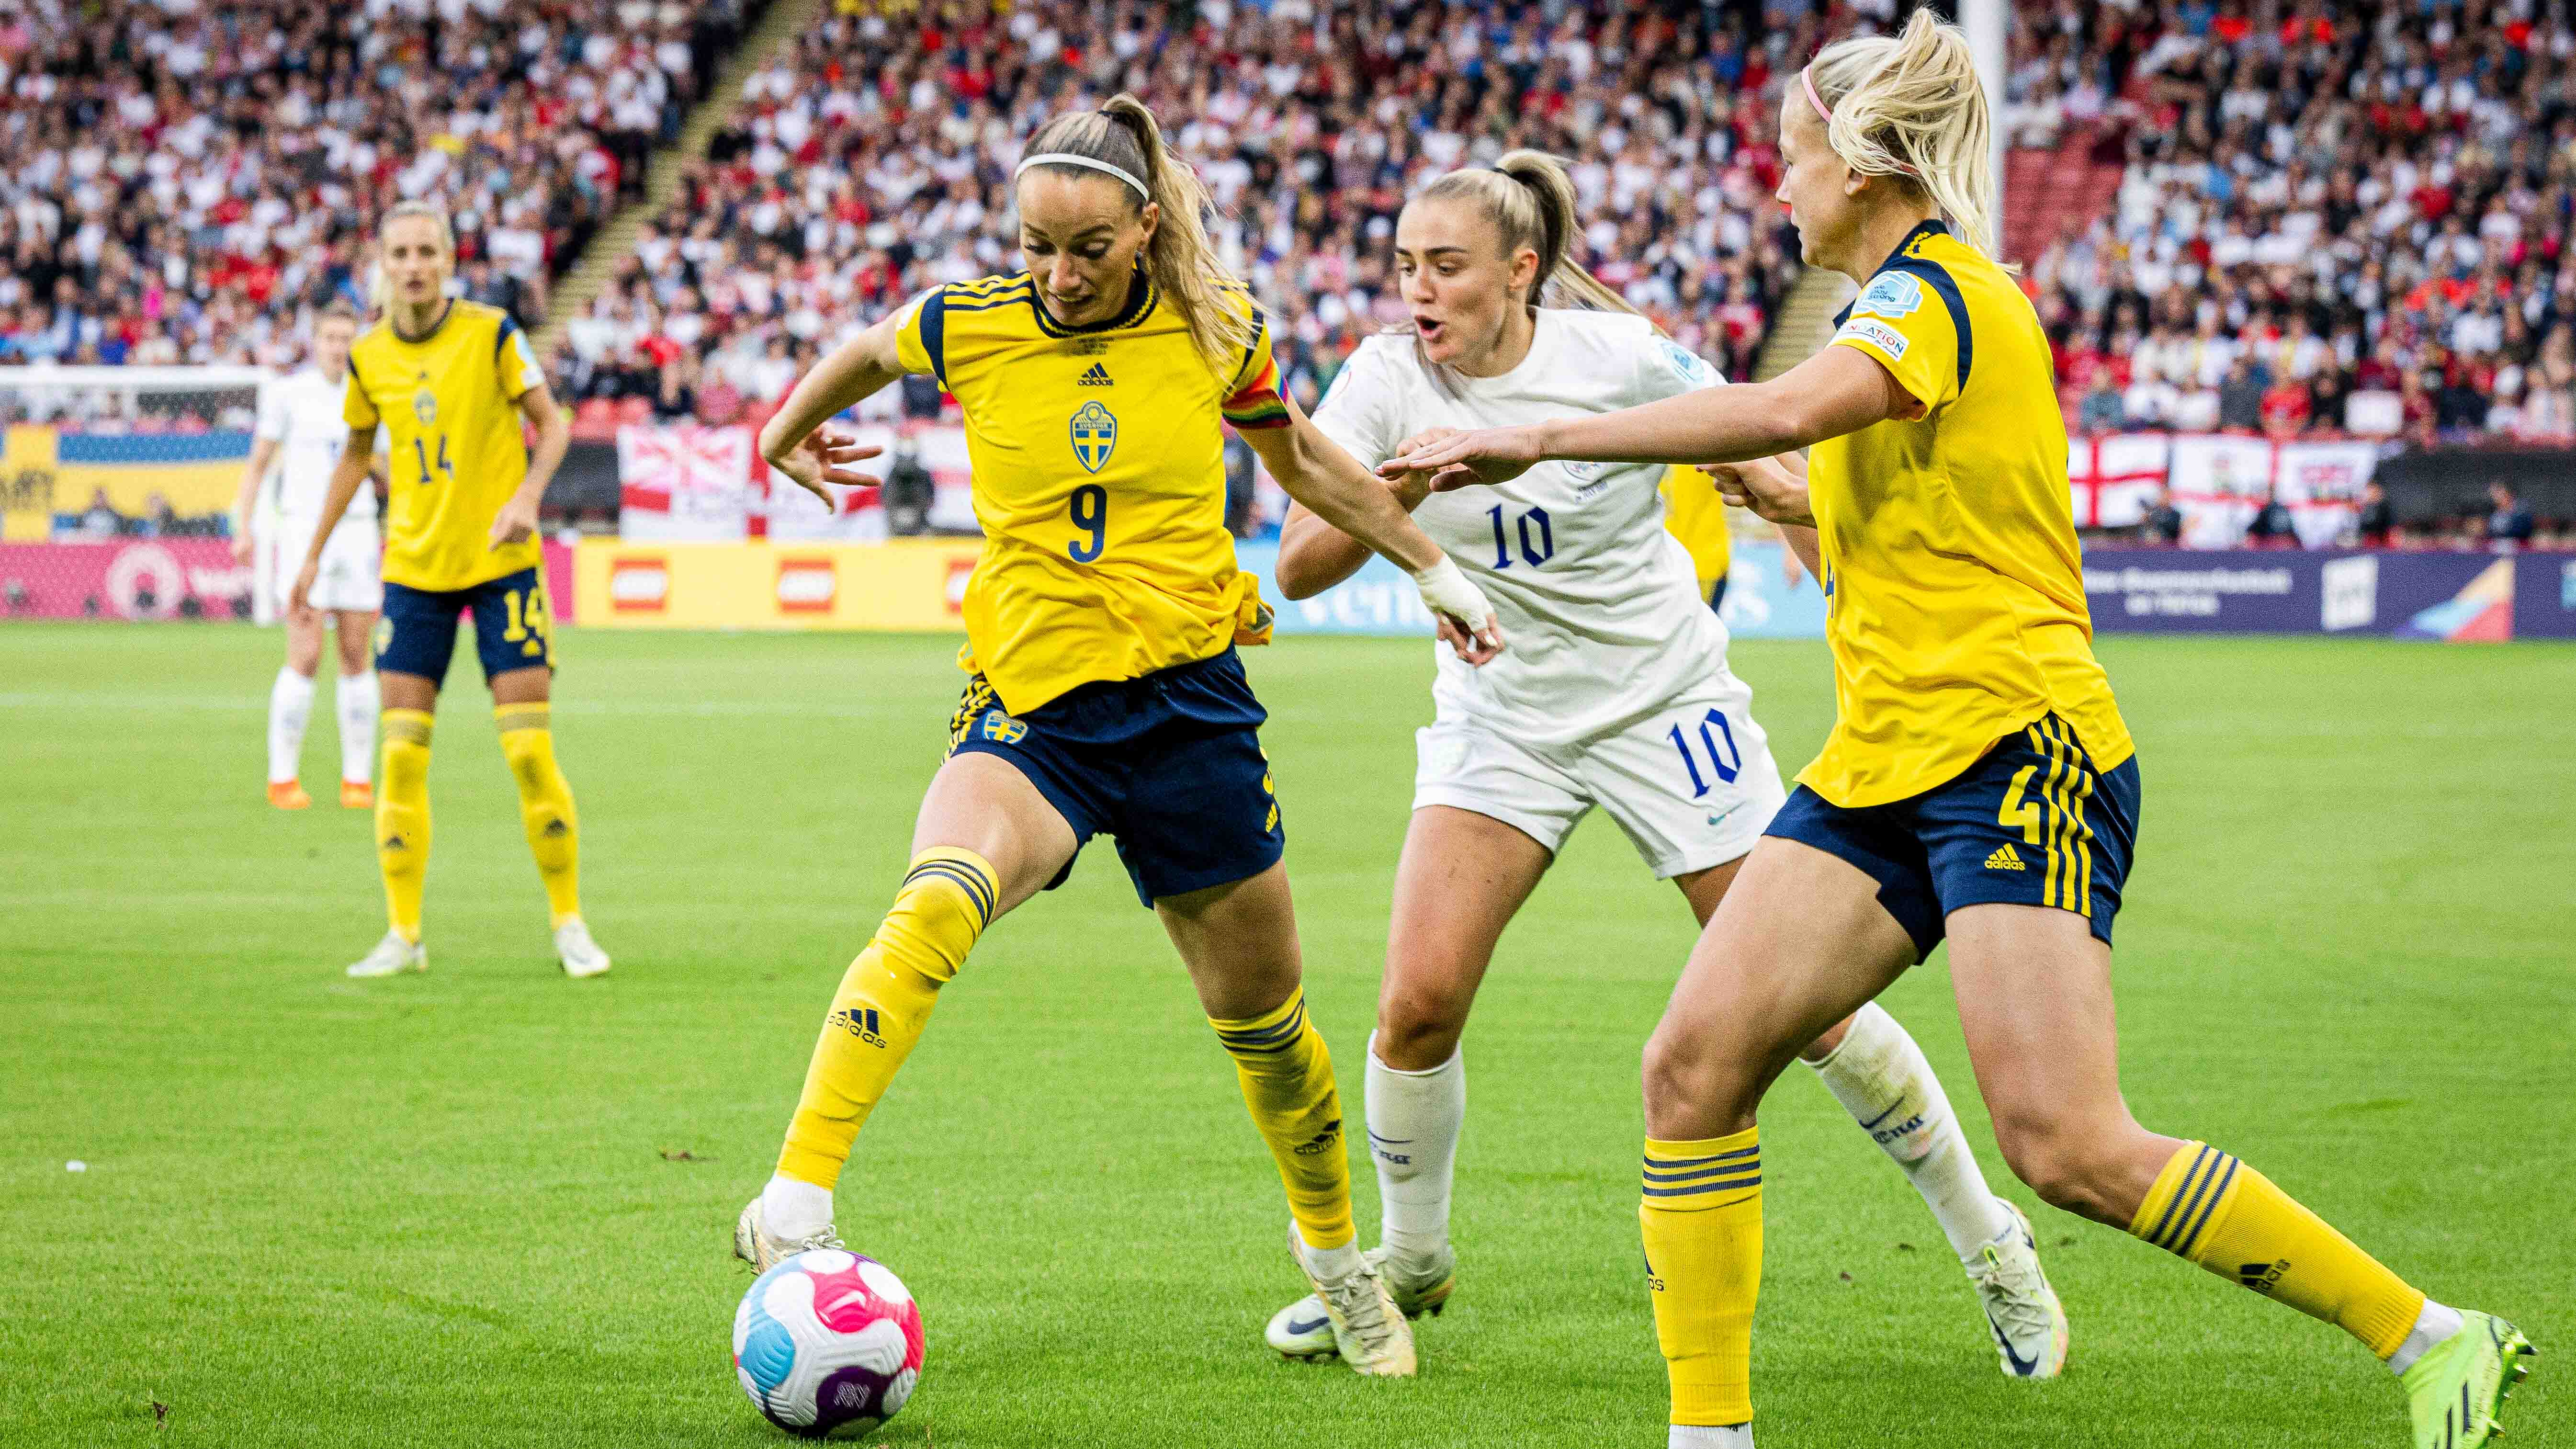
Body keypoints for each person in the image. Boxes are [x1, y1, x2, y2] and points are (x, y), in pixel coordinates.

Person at [1384, 14, 2535, 1448]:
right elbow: (1897, 493)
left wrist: (1541, 433)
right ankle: (1707, 1437)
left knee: (2063, 1144)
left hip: (2013, 745)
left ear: (1862, 164)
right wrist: (1797, 501)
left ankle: (2432, 1336)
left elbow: (1803, 402)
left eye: (1792, 159)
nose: (1774, 188)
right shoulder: (1895, 306)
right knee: (1690, 1069)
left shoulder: (1932, 292)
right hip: (1882, 761)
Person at [730, 94, 1505, 1380]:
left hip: (1190, 709)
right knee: (935, 903)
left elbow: (1303, 464)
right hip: (1036, 715)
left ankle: (1338, 1267)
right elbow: (867, 351)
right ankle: (797, 1195)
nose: (1056, 273)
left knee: (1266, 1027)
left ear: (1145, 229)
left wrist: (1429, 568)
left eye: (1085, 247)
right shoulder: (969, 322)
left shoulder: (1215, 330)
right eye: (1035, 243)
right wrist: (780, 431)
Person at [1255, 151, 2065, 1381]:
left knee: (1811, 1014)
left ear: (1520, 271)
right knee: (1415, 1005)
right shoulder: (1377, 377)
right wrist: (1388, 500)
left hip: (1663, 707)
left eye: (1447, 267)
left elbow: (1764, 469)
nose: (1417, 290)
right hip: (1501, 720)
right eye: (1405, 265)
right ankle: (1410, 1265)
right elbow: (1301, 563)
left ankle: (1992, 1244)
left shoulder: (1619, 356)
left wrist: (1838, 558)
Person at [293, 202, 610, 982]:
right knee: (400, 760)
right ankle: (403, 934)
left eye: (426, 251)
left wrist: (529, 496)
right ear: (383, 261)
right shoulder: (368, 358)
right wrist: (311, 556)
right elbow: (355, 456)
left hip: (504, 565)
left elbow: (554, 424)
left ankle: (569, 923)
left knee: (529, 751)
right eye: (399, 251)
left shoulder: (493, 334)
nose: (413, 264)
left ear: (446, 258)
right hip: (415, 573)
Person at [234, 302, 386, 811]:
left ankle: (358, 781)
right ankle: (282, 778)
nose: (339, 347)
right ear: (315, 340)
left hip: (360, 531)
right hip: (302, 532)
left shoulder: (374, 393)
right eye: (330, 338)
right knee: (304, 654)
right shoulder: (287, 395)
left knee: (355, 655)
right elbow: (258, 465)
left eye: (347, 338)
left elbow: (387, 471)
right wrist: (245, 525)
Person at [2485, 483, 2534, 548]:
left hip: (2519, 548)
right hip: (2499, 547)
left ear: (2509, 494)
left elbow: (2524, 531)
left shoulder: (2522, 512)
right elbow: (2491, 534)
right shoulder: (2494, 515)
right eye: (2493, 495)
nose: (2496, 498)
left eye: (2499, 493)